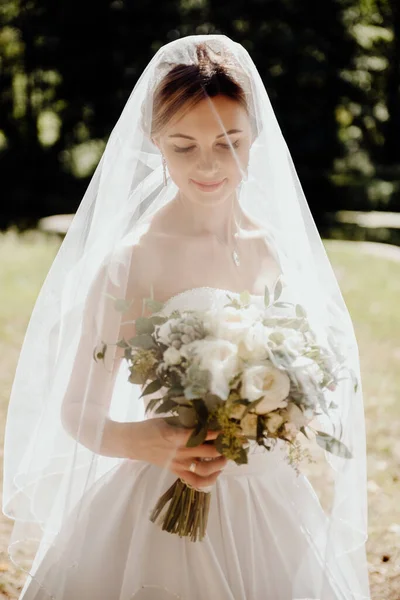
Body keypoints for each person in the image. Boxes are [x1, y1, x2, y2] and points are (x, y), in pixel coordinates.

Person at [2, 35, 370, 599]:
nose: (208, 165)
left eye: (229, 143)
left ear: (255, 141)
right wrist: (152, 443)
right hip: (159, 505)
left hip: (268, 499)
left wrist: (283, 411)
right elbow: (77, 411)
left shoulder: (270, 248)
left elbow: (304, 373)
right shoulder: (131, 262)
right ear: (155, 145)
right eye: (183, 146)